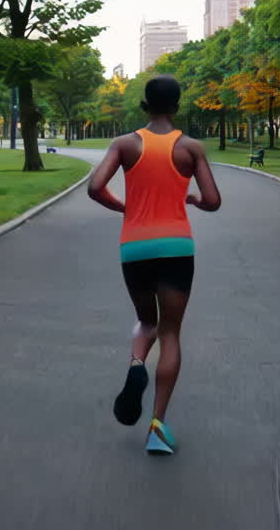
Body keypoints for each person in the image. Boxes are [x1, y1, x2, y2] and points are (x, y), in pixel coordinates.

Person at [87, 74, 222, 455]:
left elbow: (95, 187)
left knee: (147, 321)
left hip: (135, 247)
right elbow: (213, 201)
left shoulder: (125, 144)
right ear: (177, 105)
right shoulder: (190, 148)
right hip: (177, 247)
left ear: (144, 105)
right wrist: (192, 200)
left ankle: (135, 364)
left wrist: (125, 208)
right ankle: (157, 428)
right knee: (171, 334)